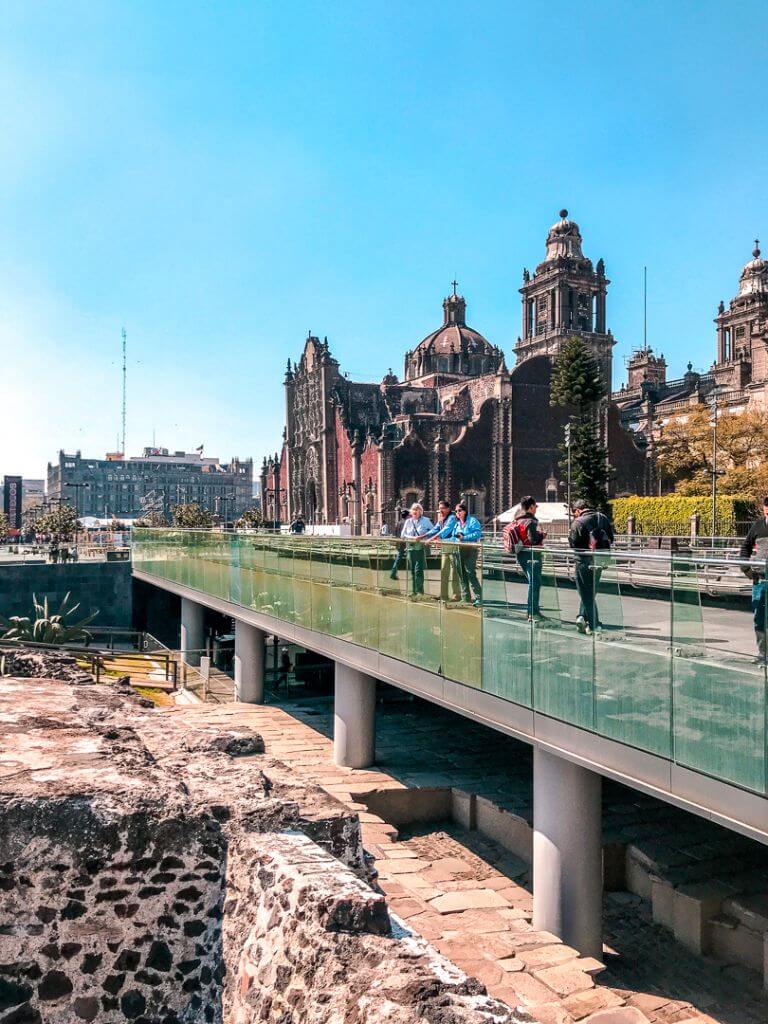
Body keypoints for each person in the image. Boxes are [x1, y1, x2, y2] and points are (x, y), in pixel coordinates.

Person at [568, 498, 614, 634]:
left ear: (578, 510)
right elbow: (611, 538)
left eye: (574, 513)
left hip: (583, 561)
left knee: (585, 592)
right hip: (599, 560)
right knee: (591, 591)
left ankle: (594, 624)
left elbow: (573, 544)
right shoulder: (603, 518)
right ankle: (582, 617)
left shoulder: (577, 522)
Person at [503, 496, 546, 621]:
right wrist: (542, 535)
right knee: (535, 583)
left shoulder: (517, 520)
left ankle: (531, 611)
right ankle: (533, 612)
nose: (536, 509)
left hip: (521, 554)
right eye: (535, 507)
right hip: (532, 555)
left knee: (532, 582)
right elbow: (533, 540)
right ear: (531, 507)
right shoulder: (531, 522)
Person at [740, 497, 768, 661]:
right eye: (766, 505)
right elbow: (745, 546)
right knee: (759, 617)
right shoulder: (757, 525)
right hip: (759, 578)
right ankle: (763, 653)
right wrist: (746, 568)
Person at [442, 502, 483, 605]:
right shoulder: (457, 524)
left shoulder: (473, 521)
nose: (457, 513)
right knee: (461, 574)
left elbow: (477, 533)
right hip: (458, 550)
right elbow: (454, 538)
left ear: (465, 511)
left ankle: (479, 597)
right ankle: (466, 597)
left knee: (470, 573)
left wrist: (464, 537)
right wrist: (442, 540)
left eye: (459, 510)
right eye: (456, 511)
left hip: (470, 549)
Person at [420, 500, 460, 601]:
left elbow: (445, 530)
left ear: (448, 509)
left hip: (454, 546)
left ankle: (457, 595)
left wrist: (432, 538)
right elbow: (435, 529)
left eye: (443, 508)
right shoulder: (442, 519)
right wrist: (424, 536)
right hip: (445, 547)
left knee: (455, 572)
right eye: (440, 508)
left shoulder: (452, 518)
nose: (440, 510)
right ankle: (443, 595)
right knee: (444, 571)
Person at [399, 502, 433, 594]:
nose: (415, 511)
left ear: (421, 511)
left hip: (420, 548)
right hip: (410, 548)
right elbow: (402, 535)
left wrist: (424, 537)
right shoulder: (408, 521)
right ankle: (413, 591)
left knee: (418, 570)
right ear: (411, 511)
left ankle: (420, 591)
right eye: (413, 509)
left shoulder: (426, 521)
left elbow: (433, 531)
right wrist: (412, 538)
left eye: (417, 509)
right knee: (412, 570)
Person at [388, 509, 412, 580]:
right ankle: (413, 574)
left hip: (399, 543)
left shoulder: (398, 523)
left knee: (398, 559)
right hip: (406, 543)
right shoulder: (408, 523)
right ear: (407, 516)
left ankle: (393, 573)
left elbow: (395, 533)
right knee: (411, 558)